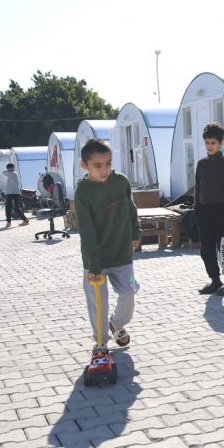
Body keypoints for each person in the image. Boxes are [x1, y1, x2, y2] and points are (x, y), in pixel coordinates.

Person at [74, 139, 140, 355]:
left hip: (122, 254)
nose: (105, 170)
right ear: (84, 165)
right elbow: (87, 230)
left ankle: (117, 324)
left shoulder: (120, 182)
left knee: (129, 293)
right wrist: (93, 265)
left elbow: (131, 209)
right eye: (98, 165)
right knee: (98, 304)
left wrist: (135, 233)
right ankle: (101, 343)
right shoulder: (83, 191)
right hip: (96, 260)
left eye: (108, 163)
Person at [194, 122, 224, 296]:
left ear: (222, 143)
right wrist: (197, 209)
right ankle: (215, 280)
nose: (210, 146)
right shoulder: (201, 164)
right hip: (204, 212)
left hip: (222, 212)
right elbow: (198, 187)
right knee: (206, 249)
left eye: (213, 143)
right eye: (207, 143)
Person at [2, 163, 29, 228]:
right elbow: (4, 172)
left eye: (9, 168)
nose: (8, 170)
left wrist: (9, 170)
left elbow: (3, 172)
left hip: (14, 194)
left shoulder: (13, 174)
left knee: (16, 208)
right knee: (7, 208)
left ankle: (25, 220)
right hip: (9, 193)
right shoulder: (10, 174)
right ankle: (8, 222)